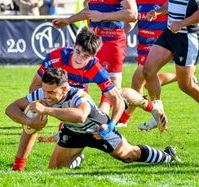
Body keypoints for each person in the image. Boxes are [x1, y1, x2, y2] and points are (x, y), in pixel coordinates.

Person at [5, 68, 181, 170]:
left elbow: (80, 116)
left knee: (129, 156)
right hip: (73, 132)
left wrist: (46, 109)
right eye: (45, 91)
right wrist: (28, 122)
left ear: (64, 89)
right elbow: (10, 108)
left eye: (52, 92)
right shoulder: (43, 93)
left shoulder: (78, 95)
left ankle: (167, 156)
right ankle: (76, 157)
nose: (47, 95)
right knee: (55, 171)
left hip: (99, 130)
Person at [52, 0, 138, 114]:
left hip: (112, 41)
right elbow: (90, 9)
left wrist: (102, 16)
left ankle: (146, 105)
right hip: (93, 41)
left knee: (113, 88)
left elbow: (133, 14)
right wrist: (68, 20)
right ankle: (82, 118)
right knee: (80, 78)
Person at [117, 0, 178, 130]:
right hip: (143, 44)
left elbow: (174, 9)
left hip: (160, 45)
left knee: (139, 79)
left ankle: (125, 119)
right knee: (147, 79)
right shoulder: (136, 1)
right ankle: (178, 77)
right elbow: (133, 19)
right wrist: (124, 30)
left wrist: (158, 12)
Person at [142, 1, 199, 126]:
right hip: (169, 33)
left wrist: (181, 23)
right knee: (148, 71)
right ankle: (158, 113)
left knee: (186, 85)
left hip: (187, 37)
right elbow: (173, 3)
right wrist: (158, 11)